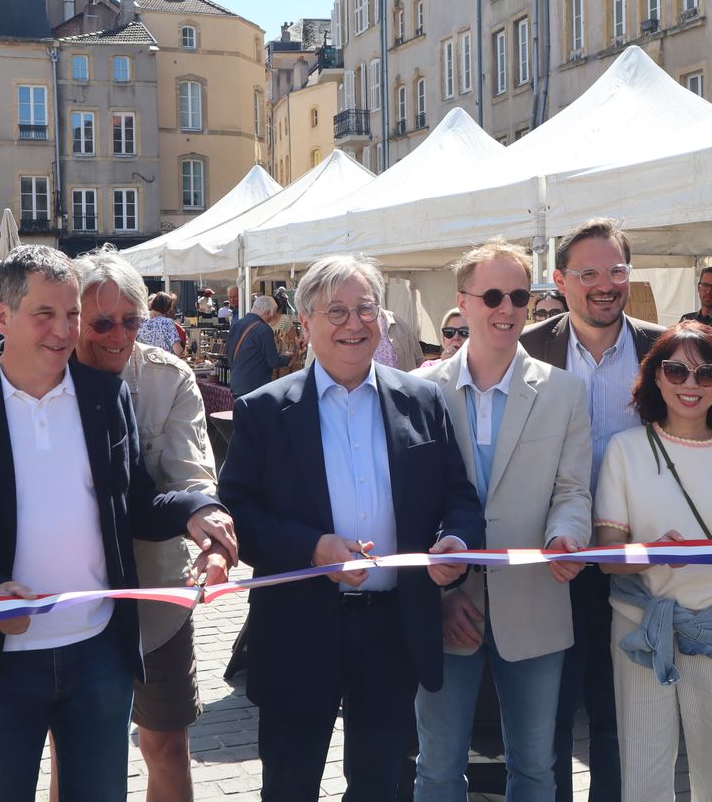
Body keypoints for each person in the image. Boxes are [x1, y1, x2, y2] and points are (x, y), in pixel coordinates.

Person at [0, 245, 238, 802]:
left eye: (72, 314)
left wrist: (194, 511)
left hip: (98, 655)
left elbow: (136, 504)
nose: (63, 330)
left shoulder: (107, 396)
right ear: (2, 316)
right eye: (45, 314)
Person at [218, 253, 485, 801]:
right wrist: (313, 548)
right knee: (290, 786)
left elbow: (457, 495)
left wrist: (455, 544)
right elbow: (238, 513)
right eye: (335, 311)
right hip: (298, 626)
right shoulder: (264, 410)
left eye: (365, 309)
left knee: (380, 785)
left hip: (392, 628)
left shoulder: (421, 398)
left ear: (381, 318)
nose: (353, 324)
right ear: (305, 322)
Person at [415, 240, 592, 799]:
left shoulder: (565, 390)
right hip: (445, 605)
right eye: (492, 296)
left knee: (536, 769)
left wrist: (567, 535)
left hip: (536, 597)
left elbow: (572, 490)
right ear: (462, 302)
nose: (508, 308)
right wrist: (440, 593)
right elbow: (410, 506)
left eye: (519, 296)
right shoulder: (419, 391)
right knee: (437, 768)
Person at [594, 321, 712, 801]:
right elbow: (607, 555)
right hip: (640, 624)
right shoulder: (625, 449)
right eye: (676, 370)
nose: (691, 383)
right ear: (655, 377)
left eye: (707, 372)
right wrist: (652, 553)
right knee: (643, 769)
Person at [69, 247, 233, 802]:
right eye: (102, 324)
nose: (118, 336)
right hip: (75, 596)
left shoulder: (168, 376)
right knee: (77, 751)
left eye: (131, 321)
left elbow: (193, 476)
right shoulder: (47, 374)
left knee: (165, 745)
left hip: (156, 593)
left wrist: (210, 530)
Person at [520, 216, 662, 802]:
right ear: (559, 280)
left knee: (621, 714)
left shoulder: (665, 349)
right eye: (588, 274)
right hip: (555, 559)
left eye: (616, 271)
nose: (605, 285)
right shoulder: (526, 349)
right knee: (549, 716)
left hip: (639, 562)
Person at [226, 295, 290, 399]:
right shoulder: (264, 329)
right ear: (267, 312)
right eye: (272, 315)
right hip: (255, 388)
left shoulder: (237, 324)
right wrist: (287, 357)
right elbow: (273, 361)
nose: (271, 319)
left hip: (236, 384)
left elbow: (228, 352)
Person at [138, 292, 184, 356]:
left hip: (145, 360)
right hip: (164, 360)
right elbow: (178, 350)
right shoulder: (167, 322)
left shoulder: (141, 321)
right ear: (168, 308)